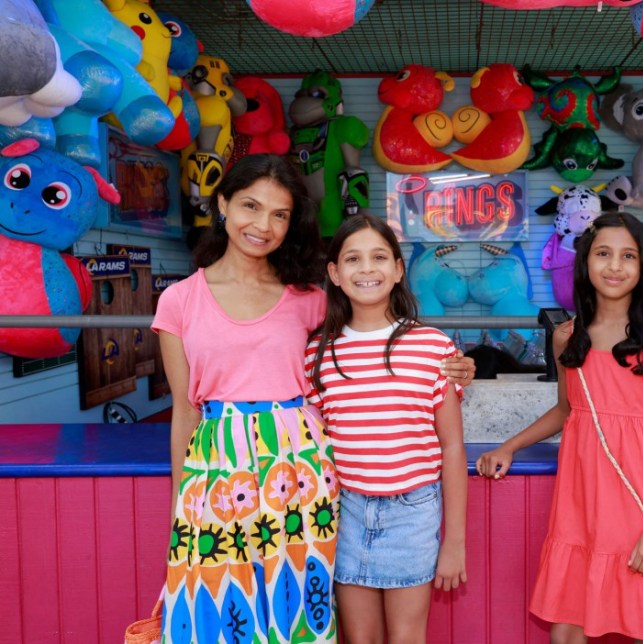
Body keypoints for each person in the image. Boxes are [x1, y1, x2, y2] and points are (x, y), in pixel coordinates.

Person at [153, 155, 474, 642]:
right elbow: (184, 409)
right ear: (222, 204)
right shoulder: (178, 300)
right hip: (217, 469)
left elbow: (372, 336)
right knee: (218, 612)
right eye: (250, 206)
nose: (263, 225)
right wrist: (183, 502)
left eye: (279, 214)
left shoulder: (307, 298)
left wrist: (459, 365)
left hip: (300, 473)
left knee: (297, 609)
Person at [477, 212, 643, 643]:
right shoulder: (567, 337)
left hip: (639, 503)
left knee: (642, 625)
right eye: (603, 254)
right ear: (585, 262)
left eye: (627, 256)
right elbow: (566, 410)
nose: (614, 266)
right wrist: (510, 446)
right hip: (579, 502)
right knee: (566, 627)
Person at [305, 213, 468, 643]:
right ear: (335, 273)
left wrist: (455, 542)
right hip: (345, 515)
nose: (367, 269)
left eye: (379, 257)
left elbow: (452, 447)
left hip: (413, 514)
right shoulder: (315, 355)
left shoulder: (433, 348)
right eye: (353, 259)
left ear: (398, 269)